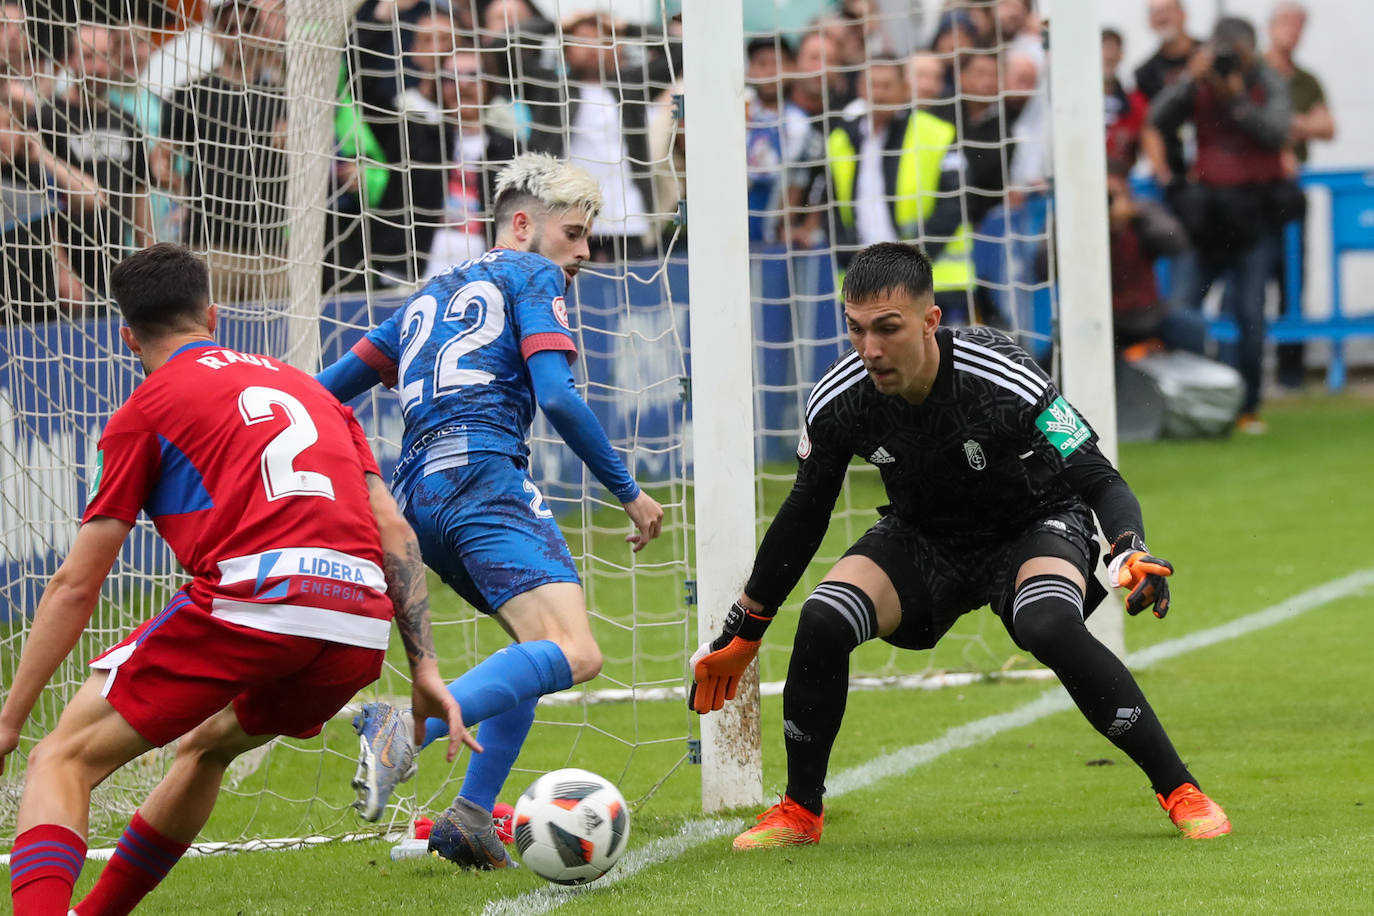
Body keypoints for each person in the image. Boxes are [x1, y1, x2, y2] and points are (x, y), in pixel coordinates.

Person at [688, 241, 1230, 849]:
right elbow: (804, 513)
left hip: (1036, 524)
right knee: (823, 617)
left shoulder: (1003, 376)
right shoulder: (841, 399)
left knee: (1047, 622)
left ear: (930, 321)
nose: (869, 349)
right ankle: (799, 810)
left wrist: (1129, 547)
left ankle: (1180, 789)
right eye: (856, 330)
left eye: (887, 329)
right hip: (925, 536)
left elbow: (1097, 476)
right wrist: (749, 625)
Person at [0, 243, 470, 916]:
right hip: (356, 627)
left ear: (127, 335)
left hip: (262, 601)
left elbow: (76, 585)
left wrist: (10, 721)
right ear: (213, 316)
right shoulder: (311, 389)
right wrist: (424, 666)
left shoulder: (147, 407)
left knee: (60, 761)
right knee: (206, 748)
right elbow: (393, 528)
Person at [314, 153, 664, 869]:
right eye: (574, 232)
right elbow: (559, 396)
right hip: (483, 480)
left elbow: (322, 395)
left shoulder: (424, 298)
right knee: (577, 651)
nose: (585, 251)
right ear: (524, 225)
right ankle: (401, 728)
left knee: (532, 652)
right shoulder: (530, 273)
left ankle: (471, 818)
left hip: (418, 501)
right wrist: (628, 490)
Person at [1149, 16, 1292, 433]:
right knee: (1181, 310)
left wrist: (1237, 98)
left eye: (1238, 56)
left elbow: (1276, 131)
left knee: (1250, 314)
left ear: (1252, 51)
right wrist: (1187, 82)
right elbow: (1159, 119)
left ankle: (1248, 407)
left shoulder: (1268, 79)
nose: (1230, 63)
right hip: (1207, 216)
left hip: (1255, 214)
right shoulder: (1199, 80)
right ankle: (1186, 405)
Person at [1265, 0, 1335, 388]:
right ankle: (1246, 371)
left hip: (1293, 192)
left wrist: (1287, 126)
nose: (1293, 32)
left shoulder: (1306, 79)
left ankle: (1291, 374)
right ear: (1271, 26)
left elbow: (1327, 126)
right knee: (1253, 277)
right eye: (1287, 24)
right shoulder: (1256, 72)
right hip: (1259, 192)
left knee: (1294, 279)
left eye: (1299, 25)